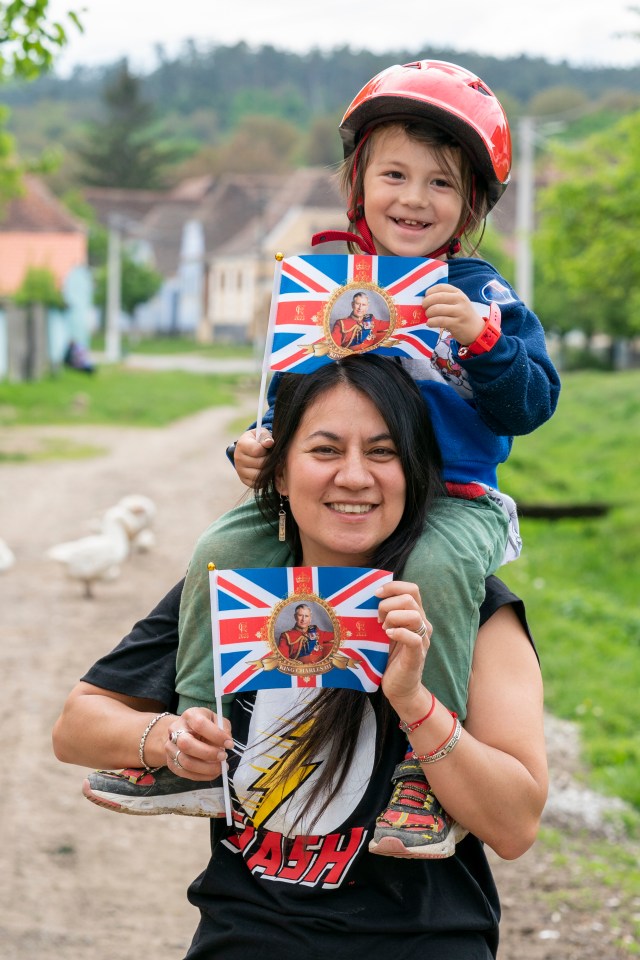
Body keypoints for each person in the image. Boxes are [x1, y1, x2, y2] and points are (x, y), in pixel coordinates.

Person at [75, 59, 560, 858]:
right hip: (330, 489)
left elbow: (533, 405)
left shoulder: (485, 297)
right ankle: (205, 737)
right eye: (394, 174)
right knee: (221, 548)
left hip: (451, 500)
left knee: (432, 575)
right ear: (357, 181)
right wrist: (255, 447)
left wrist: (483, 342)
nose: (413, 198)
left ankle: (417, 778)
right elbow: (289, 393)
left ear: (471, 201)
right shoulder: (323, 284)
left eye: (440, 184)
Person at [53, 355, 548, 959]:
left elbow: (515, 826)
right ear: (279, 472)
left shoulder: (469, 613)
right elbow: (76, 727)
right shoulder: (233, 590)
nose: (355, 476)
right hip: (244, 938)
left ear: (416, 474)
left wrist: (415, 704)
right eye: (325, 450)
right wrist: (171, 740)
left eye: (384, 452)